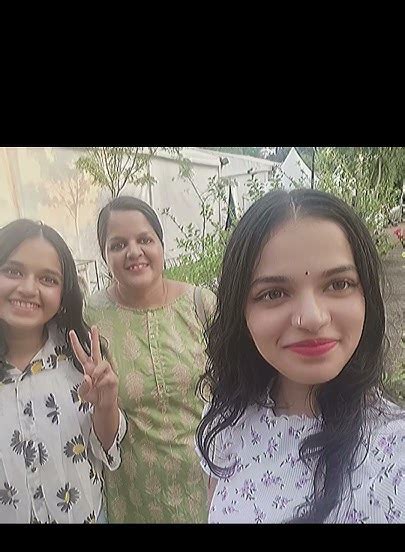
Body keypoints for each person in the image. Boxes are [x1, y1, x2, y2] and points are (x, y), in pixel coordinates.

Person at [196, 189, 405, 524]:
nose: (312, 318)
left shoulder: (392, 457)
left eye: (338, 284)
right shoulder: (227, 417)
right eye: (274, 293)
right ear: (240, 312)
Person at [85, 196, 216, 523]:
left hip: (208, 491)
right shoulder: (92, 318)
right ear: (104, 255)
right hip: (134, 499)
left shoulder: (201, 305)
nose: (134, 252)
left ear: (161, 245)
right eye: (118, 244)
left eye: (144, 239)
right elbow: (101, 432)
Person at [0, 219, 127, 524]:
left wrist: (106, 405)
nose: (28, 289)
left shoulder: (81, 359)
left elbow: (106, 448)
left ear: (63, 293)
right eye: (13, 272)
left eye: (48, 279)